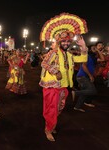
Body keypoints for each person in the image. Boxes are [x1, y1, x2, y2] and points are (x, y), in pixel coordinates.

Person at [39, 13, 88, 141]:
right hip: (52, 87)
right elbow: (44, 63)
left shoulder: (69, 55)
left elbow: (82, 58)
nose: (66, 43)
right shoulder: (53, 52)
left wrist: (83, 46)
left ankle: (51, 124)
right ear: (59, 42)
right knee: (51, 110)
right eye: (63, 41)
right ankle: (48, 129)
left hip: (64, 86)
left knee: (58, 108)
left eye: (68, 41)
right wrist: (56, 72)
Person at [73, 45, 105, 112]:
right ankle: (75, 93)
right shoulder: (87, 56)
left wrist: (98, 51)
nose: (95, 48)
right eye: (94, 47)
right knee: (93, 91)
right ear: (90, 49)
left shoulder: (94, 58)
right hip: (82, 76)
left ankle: (77, 107)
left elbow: (103, 59)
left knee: (85, 93)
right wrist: (90, 75)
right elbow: (84, 66)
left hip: (85, 76)